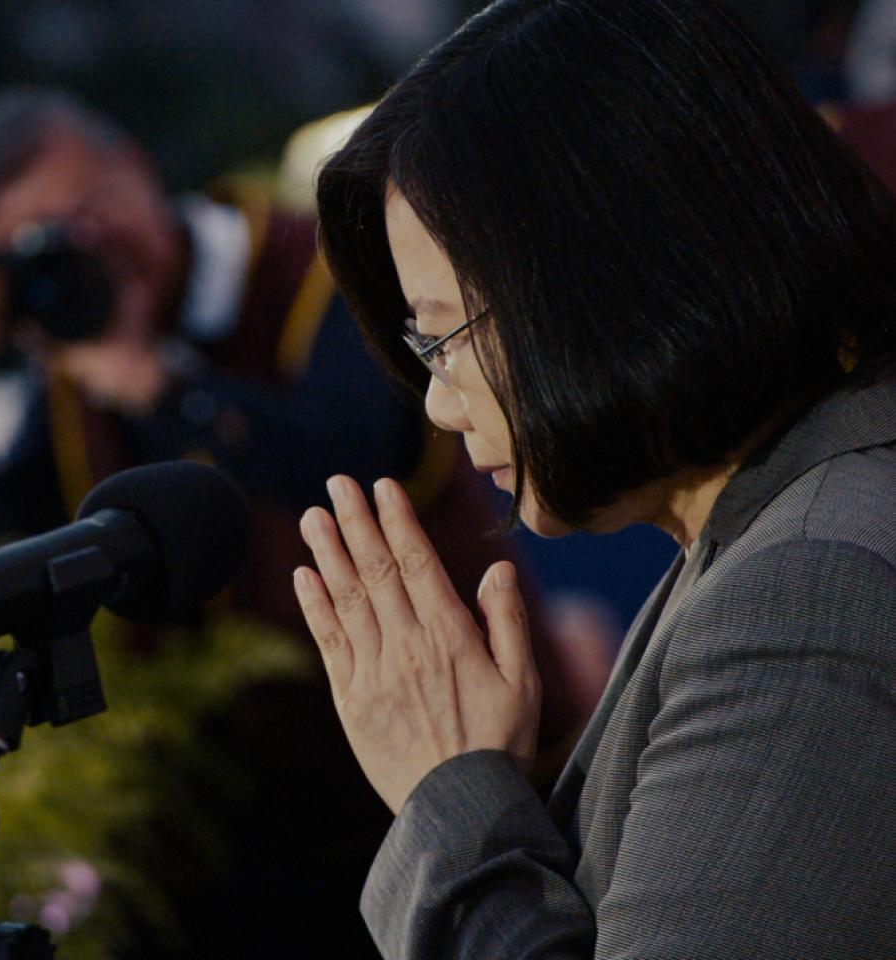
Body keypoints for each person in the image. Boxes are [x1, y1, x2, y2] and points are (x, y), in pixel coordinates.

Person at [0, 87, 602, 957]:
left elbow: (355, 459)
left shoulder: (318, 264)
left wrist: (154, 380)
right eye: (45, 236)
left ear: (140, 169)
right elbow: (3, 547)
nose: (88, 245)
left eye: (91, 206)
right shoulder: (75, 354)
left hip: (471, 764)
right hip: (248, 832)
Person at [294, 0, 896, 957]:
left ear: (615, 279)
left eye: (445, 337)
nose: (442, 407)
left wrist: (446, 792)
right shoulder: (768, 521)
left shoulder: (806, 591)